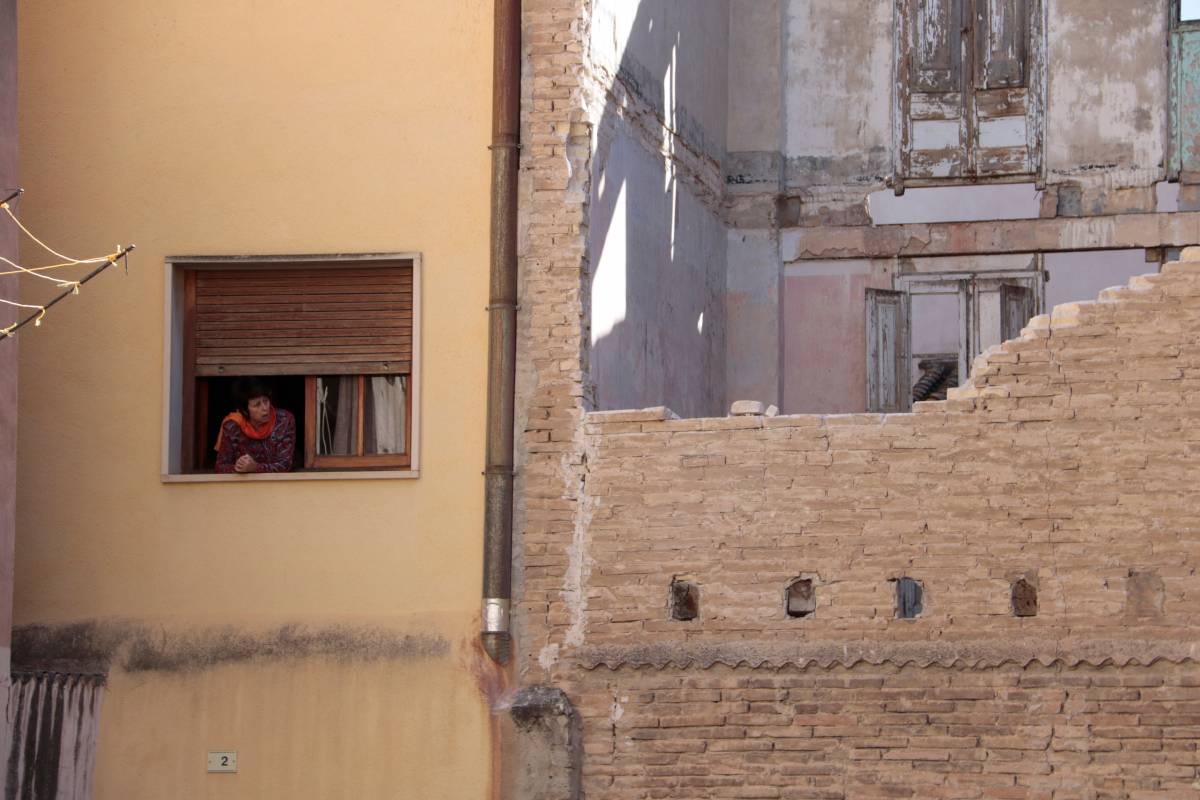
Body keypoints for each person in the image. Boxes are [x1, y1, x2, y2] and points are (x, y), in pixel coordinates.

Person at [214, 377, 296, 473]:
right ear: (245, 411)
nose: (265, 408)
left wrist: (255, 468)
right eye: (257, 405)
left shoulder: (284, 420)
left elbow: (285, 464)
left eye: (266, 401)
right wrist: (239, 467)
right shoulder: (232, 426)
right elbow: (220, 466)